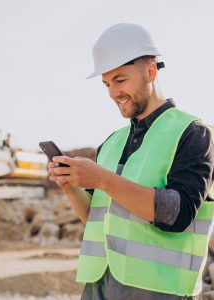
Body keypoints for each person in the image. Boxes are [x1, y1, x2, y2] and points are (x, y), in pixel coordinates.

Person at [48, 23, 214, 299]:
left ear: (150, 71)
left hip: (158, 290)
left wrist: (102, 178)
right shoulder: (112, 143)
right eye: (106, 84)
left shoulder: (193, 134)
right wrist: (70, 185)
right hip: (99, 285)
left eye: (120, 80)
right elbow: (95, 217)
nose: (113, 93)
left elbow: (179, 214)